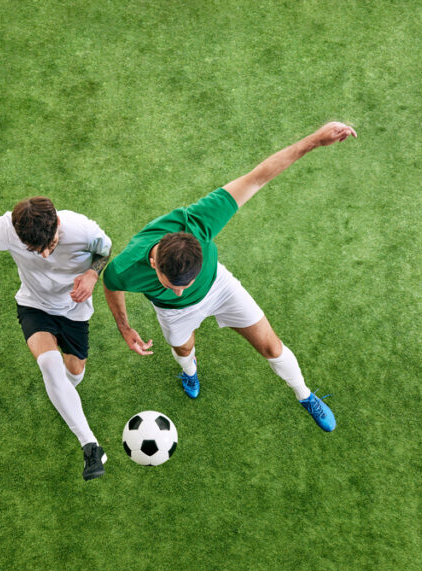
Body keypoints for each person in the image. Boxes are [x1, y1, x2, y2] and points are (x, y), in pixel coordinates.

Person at [102, 121, 357, 432]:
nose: (181, 291)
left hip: (220, 288)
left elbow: (258, 178)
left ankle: (305, 395)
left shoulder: (199, 221)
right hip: (172, 313)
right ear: (155, 265)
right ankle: (189, 370)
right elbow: (110, 284)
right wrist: (124, 326)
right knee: (183, 348)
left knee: (272, 347)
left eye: (186, 284)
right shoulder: (127, 266)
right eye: (173, 285)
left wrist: (316, 140)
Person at [0, 198, 112, 480]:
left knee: (74, 372)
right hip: (35, 306)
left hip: (75, 310)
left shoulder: (83, 230)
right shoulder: (5, 229)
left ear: (57, 224)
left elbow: (106, 250)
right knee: (50, 367)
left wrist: (93, 273)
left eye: (50, 246)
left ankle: (65, 398)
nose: (43, 256)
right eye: (34, 250)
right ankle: (91, 446)